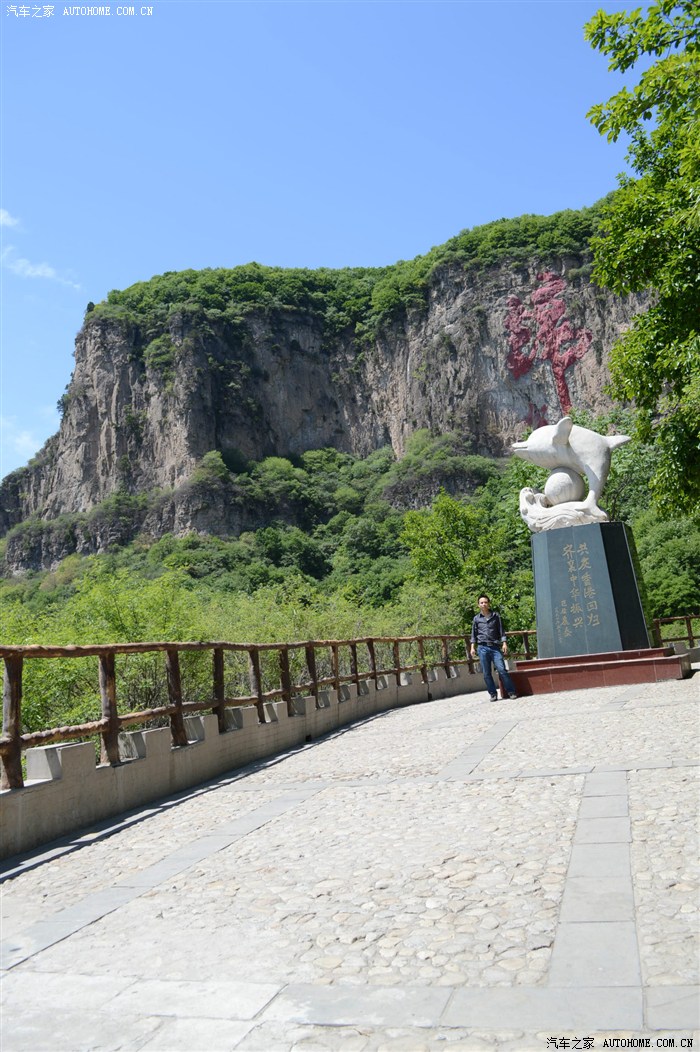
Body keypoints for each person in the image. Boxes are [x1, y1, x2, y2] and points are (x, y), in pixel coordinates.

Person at [469, 594, 518, 702]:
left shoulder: (496, 616)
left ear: (489, 603)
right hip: (482, 648)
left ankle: (511, 691)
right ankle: (493, 694)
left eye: (485, 602)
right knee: (486, 673)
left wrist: (504, 643)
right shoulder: (476, 619)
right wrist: (472, 647)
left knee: (502, 669)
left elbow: (501, 631)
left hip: (495, 647)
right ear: (478, 605)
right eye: (481, 603)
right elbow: (473, 634)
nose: (484, 604)